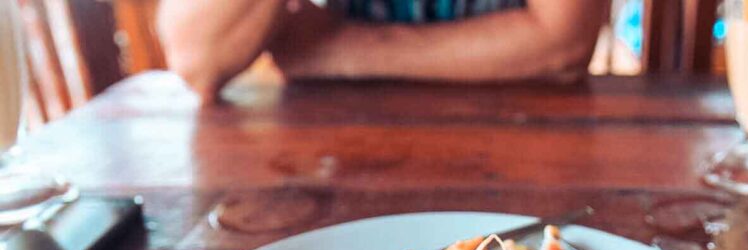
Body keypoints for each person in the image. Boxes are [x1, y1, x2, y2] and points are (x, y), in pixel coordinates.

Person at [158, 0, 609, 103]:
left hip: (526, 137)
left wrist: (339, 50)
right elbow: (199, 58)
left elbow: (563, 42)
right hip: (328, 160)